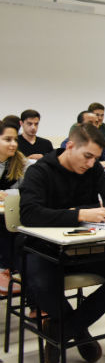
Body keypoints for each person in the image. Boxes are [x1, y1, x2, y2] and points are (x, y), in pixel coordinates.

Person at [20, 124, 105, 363]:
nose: (91, 164)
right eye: (87, 156)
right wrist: (79, 214)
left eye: (96, 159)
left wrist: (98, 211)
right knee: (41, 283)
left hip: (83, 246)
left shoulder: (92, 170)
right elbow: (29, 213)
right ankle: (80, 334)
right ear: (69, 146)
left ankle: (61, 331)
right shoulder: (41, 171)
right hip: (42, 248)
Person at [0, 119, 27, 295]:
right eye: (7, 139)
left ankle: (17, 269)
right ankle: (4, 269)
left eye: (15, 140)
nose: (13, 144)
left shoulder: (20, 161)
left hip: (10, 212)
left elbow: (26, 190)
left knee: (21, 229)